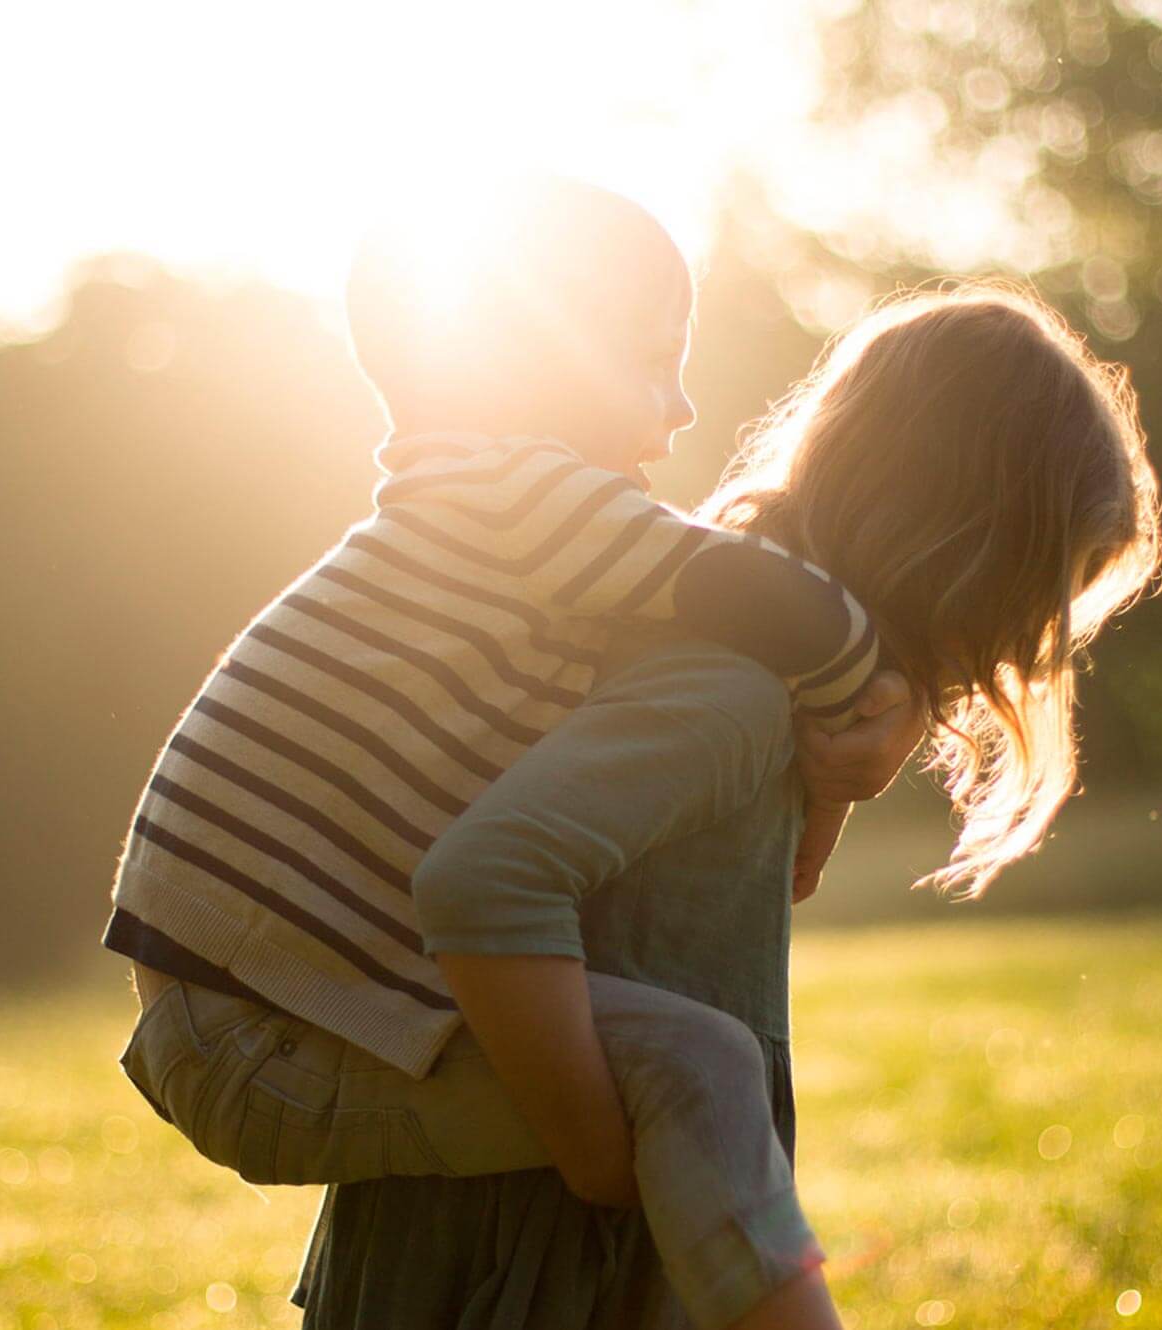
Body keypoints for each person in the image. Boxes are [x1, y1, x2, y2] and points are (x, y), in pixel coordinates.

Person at [105, 177, 925, 1330]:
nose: (682, 405)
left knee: (680, 1065)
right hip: (260, 1033)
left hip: (251, 1014)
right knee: (699, 1065)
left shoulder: (477, 517)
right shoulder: (517, 496)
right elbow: (754, 592)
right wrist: (871, 698)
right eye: (651, 360)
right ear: (537, 363)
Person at [294, 282, 1162, 1326]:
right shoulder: (729, 692)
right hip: (528, 1247)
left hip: (583, 1218)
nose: (1032, 643)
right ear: (963, 546)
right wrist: (597, 1146)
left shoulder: (768, 683)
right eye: (1044, 586)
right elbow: (488, 878)